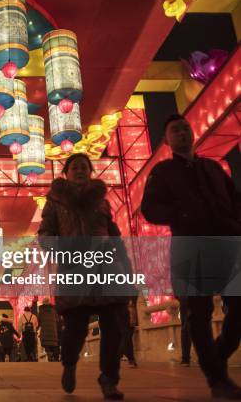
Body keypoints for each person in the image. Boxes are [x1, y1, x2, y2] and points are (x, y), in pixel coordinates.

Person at [141, 114, 241, 399]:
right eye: (175, 130)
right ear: (166, 140)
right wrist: (183, 215)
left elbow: (234, 199)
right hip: (190, 246)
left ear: (193, 132)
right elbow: (150, 209)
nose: (182, 133)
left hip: (227, 243)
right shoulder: (162, 173)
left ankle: (215, 356)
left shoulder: (212, 167)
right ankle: (217, 379)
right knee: (198, 312)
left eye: (186, 128)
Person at [39, 153, 131, 400]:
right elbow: (45, 234)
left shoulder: (102, 201)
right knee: (75, 329)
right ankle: (69, 364)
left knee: (114, 326)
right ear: (66, 173)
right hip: (73, 270)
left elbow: (114, 235)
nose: (80, 171)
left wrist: (125, 267)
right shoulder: (55, 202)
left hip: (105, 268)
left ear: (90, 172)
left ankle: (109, 379)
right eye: (75, 167)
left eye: (84, 167)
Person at [38, 298, 60, 362]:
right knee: (53, 344)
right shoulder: (53, 310)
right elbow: (57, 320)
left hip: (45, 331)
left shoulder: (41, 311)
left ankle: (49, 354)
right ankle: (55, 356)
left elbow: (38, 322)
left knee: (46, 343)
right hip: (53, 331)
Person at [119, 298, 138, 368]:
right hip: (122, 318)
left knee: (127, 338)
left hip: (132, 319)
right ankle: (131, 359)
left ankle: (121, 353)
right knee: (126, 338)